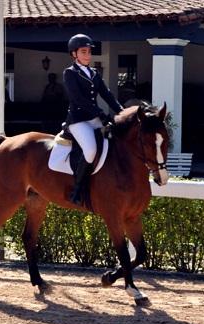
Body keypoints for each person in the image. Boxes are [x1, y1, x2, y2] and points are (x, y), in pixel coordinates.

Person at [63, 33, 124, 205]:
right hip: (78, 120)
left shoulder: (94, 73)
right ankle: (78, 189)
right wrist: (101, 114)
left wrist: (122, 113)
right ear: (74, 54)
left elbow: (107, 95)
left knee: (114, 143)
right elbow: (78, 100)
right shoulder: (70, 73)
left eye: (89, 52)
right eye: (83, 52)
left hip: (94, 118)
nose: (88, 55)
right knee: (90, 150)